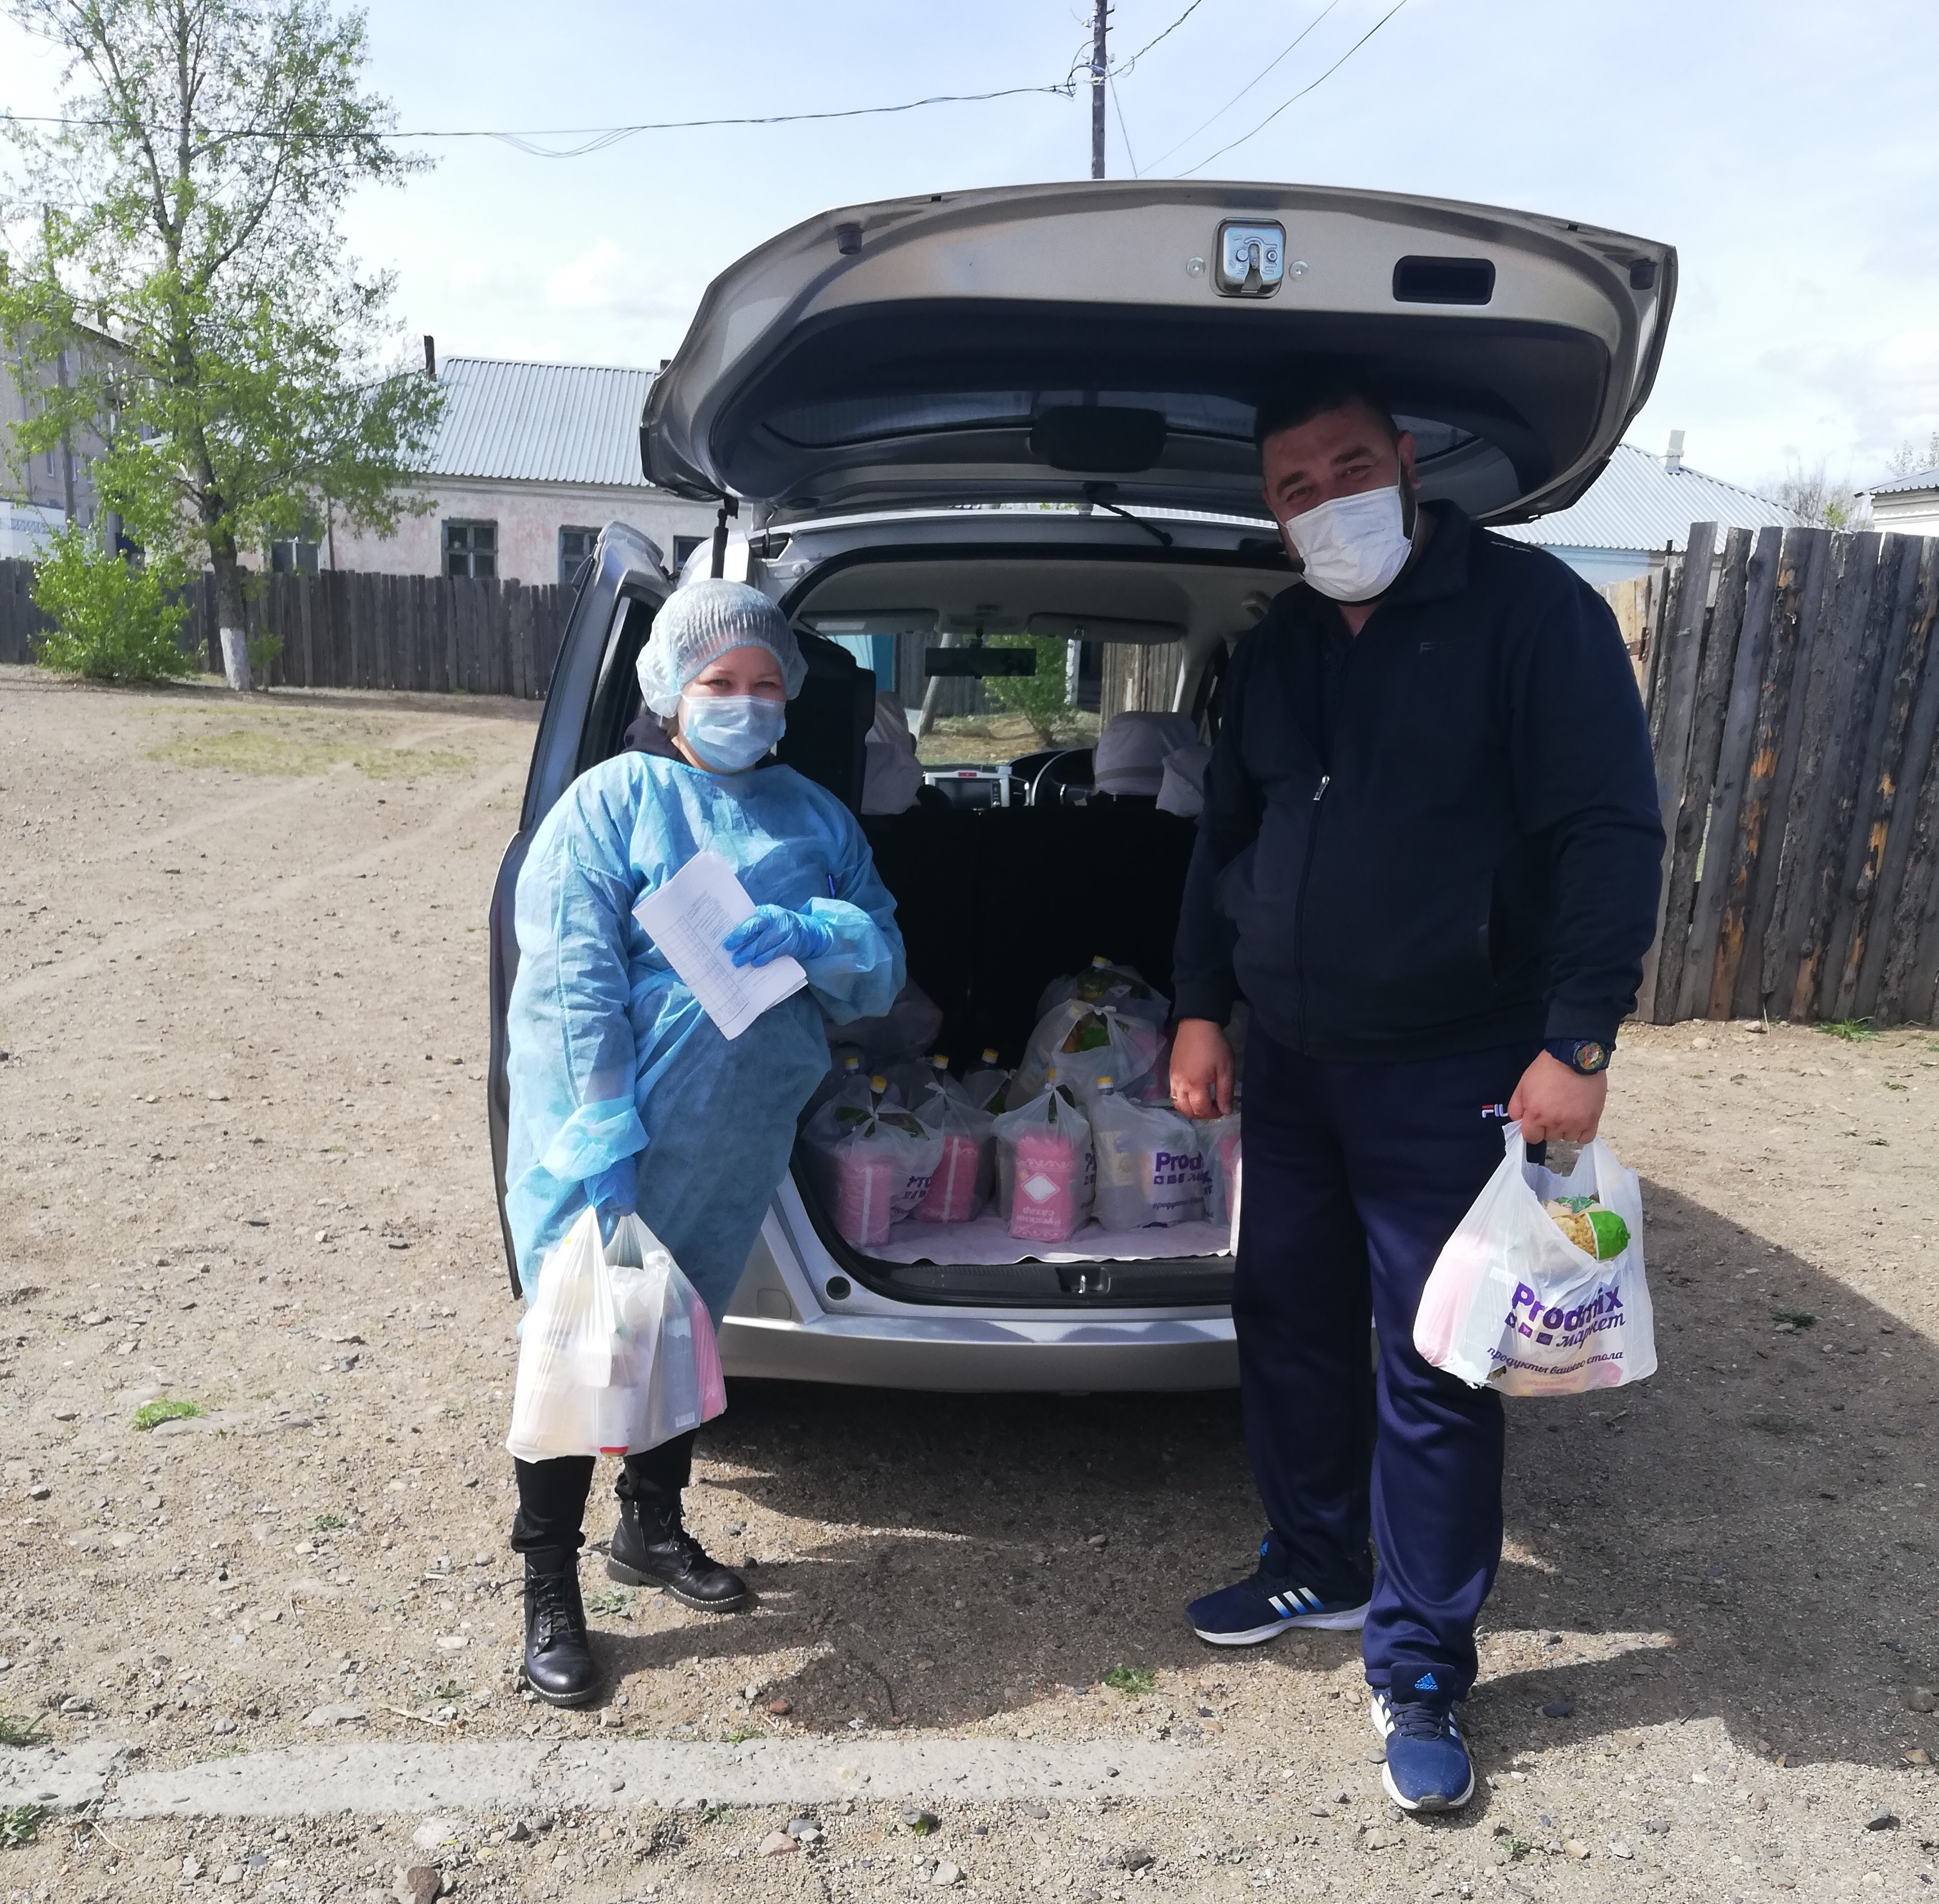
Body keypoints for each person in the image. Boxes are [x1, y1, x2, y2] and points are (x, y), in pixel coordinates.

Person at [1169, 369, 1662, 1813]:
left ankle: (1424, 1659)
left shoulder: (1534, 619)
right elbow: (1224, 845)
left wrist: (1576, 1042)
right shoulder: (1276, 651)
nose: (1328, 502)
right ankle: (1316, 1559)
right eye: (1295, 487)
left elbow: (1608, 832)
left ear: (1407, 462)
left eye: (1348, 466)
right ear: (1275, 514)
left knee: (1438, 1361)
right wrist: (1204, 1005)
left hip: (1458, 1062)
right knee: (1288, 1316)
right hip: (1300, 1061)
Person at [504, 578, 905, 1706]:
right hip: (614, 1140)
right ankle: (549, 1587)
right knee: (584, 1350)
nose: (742, 702)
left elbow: (880, 963)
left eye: (765, 684)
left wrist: (820, 928)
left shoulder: (817, 816)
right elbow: (572, 978)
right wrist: (600, 1126)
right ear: (670, 690)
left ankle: (651, 1528)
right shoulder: (609, 801)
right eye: (717, 683)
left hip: (737, 1135)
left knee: (680, 1329)